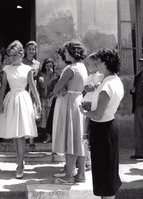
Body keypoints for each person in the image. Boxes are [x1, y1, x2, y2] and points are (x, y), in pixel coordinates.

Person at [0, 40, 41, 179]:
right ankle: (20, 160)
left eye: (14, 55)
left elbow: (32, 86)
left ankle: (20, 163)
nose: (12, 58)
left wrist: (38, 103)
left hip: (23, 100)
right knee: (14, 133)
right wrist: (0, 103)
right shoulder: (7, 69)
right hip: (11, 99)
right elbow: (3, 87)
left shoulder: (27, 69)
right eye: (10, 55)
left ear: (21, 54)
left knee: (20, 135)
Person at [80, 49, 124, 198]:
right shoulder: (115, 81)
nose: (96, 65)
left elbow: (98, 115)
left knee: (105, 175)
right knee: (107, 172)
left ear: (105, 64)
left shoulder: (107, 86)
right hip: (108, 127)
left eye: (98, 62)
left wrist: (84, 112)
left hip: (102, 130)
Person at [52, 41, 88, 184]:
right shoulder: (82, 67)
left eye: (67, 51)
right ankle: (81, 174)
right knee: (79, 139)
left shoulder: (71, 69)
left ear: (72, 52)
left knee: (70, 139)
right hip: (78, 99)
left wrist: (61, 89)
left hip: (70, 103)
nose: (65, 53)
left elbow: (56, 89)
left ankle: (68, 175)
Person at [44, 49, 68, 144]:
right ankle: (50, 137)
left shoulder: (66, 76)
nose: (57, 70)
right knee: (51, 119)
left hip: (63, 101)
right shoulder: (54, 82)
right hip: (55, 101)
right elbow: (48, 94)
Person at [22, 41, 41, 151]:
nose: (31, 51)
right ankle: (23, 139)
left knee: (32, 115)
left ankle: (31, 141)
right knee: (24, 114)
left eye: (33, 49)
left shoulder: (37, 63)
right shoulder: (22, 62)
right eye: (29, 49)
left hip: (33, 90)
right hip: (24, 88)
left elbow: (38, 77)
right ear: (25, 50)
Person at [36, 58, 56, 142]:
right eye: (47, 66)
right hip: (43, 98)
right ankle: (45, 136)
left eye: (50, 66)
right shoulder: (41, 75)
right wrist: (47, 75)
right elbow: (44, 86)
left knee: (51, 118)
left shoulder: (55, 75)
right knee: (44, 118)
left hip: (51, 97)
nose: (49, 68)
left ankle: (52, 136)